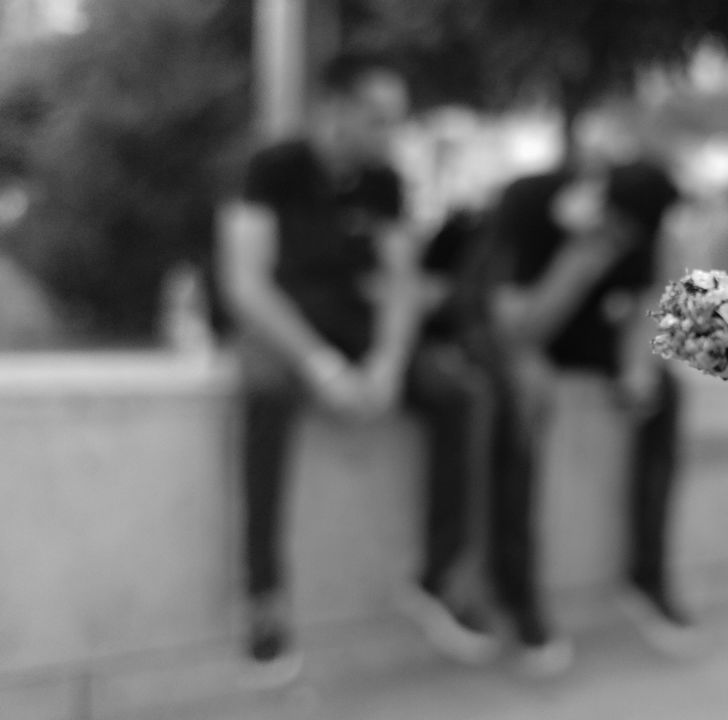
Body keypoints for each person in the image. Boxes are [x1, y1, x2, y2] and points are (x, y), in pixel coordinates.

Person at [216, 53, 435, 681]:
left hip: (348, 322)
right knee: (265, 393)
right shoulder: (271, 167)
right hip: (278, 325)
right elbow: (246, 286)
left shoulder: (385, 181)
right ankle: (263, 600)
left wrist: (390, 363)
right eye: (376, 119)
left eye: (396, 121)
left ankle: (441, 578)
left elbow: (401, 283)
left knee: (456, 387)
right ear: (333, 110)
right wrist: (323, 368)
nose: (388, 134)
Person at [486, 143, 694, 669]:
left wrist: (636, 364)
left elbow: (653, 299)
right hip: (511, 333)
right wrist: (580, 261)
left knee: (666, 393)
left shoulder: (641, 228)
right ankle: (516, 590)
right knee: (521, 404)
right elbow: (516, 328)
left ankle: (646, 574)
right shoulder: (528, 202)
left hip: (587, 337)